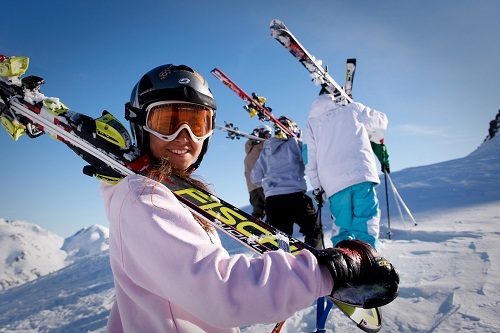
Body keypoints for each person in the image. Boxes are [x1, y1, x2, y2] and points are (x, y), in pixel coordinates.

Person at [101, 65, 399, 332]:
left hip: (273, 198)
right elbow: (220, 292)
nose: (184, 136)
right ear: (141, 124)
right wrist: (324, 273)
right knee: (313, 226)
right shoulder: (143, 197)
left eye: (198, 124)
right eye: (167, 122)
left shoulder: (152, 193)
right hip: (292, 196)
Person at [303, 88, 388, 251]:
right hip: (360, 174)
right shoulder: (353, 108)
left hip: (333, 182)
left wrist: (317, 186)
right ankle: (367, 256)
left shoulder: (311, 122)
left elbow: (309, 157)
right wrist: (354, 105)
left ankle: (344, 259)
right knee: (366, 219)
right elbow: (381, 121)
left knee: (342, 225)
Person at [251, 116, 324, 249]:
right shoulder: (297, 144)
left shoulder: (266, 150)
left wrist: (270, 185)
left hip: (273, 201)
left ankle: (283, 264)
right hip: (295, 197)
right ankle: (314, 259)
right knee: (314, 229)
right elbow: (311, 164)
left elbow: (255, 177)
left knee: (281, 238)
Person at [243, 125, 272, 220]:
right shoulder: (256, 147)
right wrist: (254, 137)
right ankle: (255, 228)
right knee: (259, 209)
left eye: (270, 135)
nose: (269, 137)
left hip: (257, 184)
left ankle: (269, 226)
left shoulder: (263, 146)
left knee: (268, 208)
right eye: (267, 134)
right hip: (257, 185)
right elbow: (248, 145)